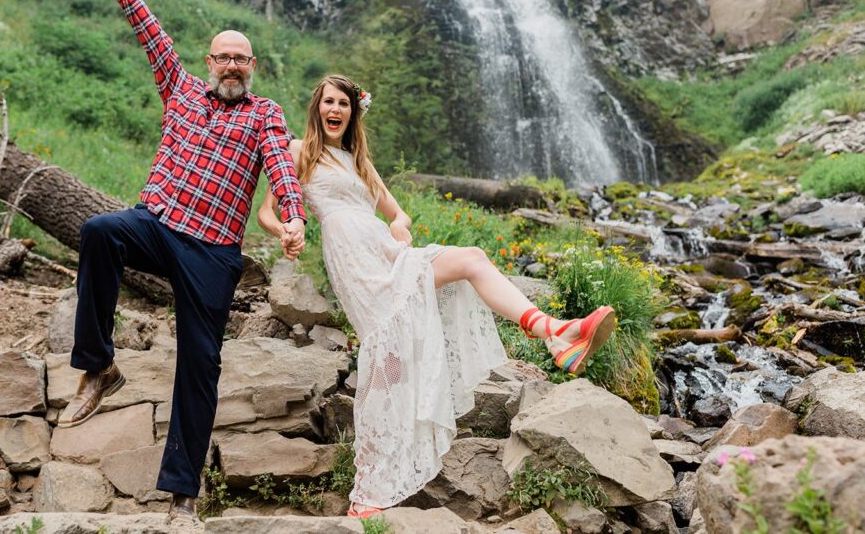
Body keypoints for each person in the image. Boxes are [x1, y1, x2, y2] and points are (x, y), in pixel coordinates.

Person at [257, 75, 615, 518]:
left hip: (383, 251)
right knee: (392, 360)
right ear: (317, 108)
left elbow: (397, 210)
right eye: (328, 102)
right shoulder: (297, 152)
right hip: (355, 264)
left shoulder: (359, 161)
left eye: (343, 104)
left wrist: (400, 224)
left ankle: (555, 334)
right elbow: (268, 212)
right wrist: (286, 230)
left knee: (457, 281)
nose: (335, 109)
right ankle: (556, 336)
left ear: (352, 112)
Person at [58, 0, 307, 528]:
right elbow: (150, 31)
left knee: (200, 364)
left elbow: (279, 163)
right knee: (99, 230)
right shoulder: (180, 87)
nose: (230, 65)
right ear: (207, 61)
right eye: (221, 56)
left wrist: (292, 217)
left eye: (240, 58)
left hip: (214, 250)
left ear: (253, 67)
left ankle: (182, 496)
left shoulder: (264, 112)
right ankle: (98, 367)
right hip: (156, 222)